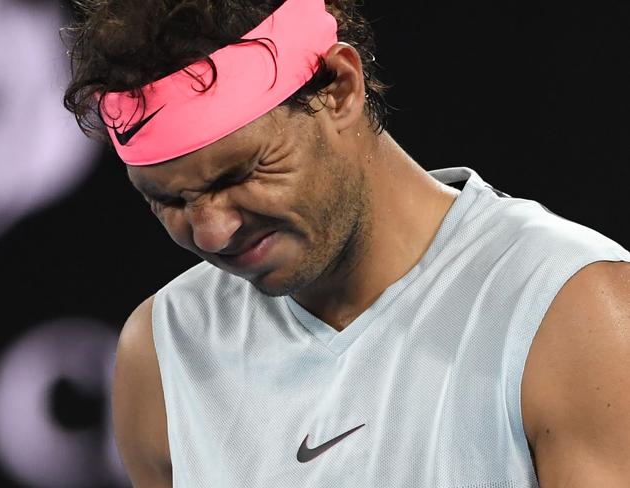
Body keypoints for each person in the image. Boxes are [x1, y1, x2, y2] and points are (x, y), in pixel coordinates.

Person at [63, 0, 630, 486]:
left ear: (339, 90)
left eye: (239, 174)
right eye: (170, 201)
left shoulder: (572, 309)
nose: (211, 231)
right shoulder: (162, 352)